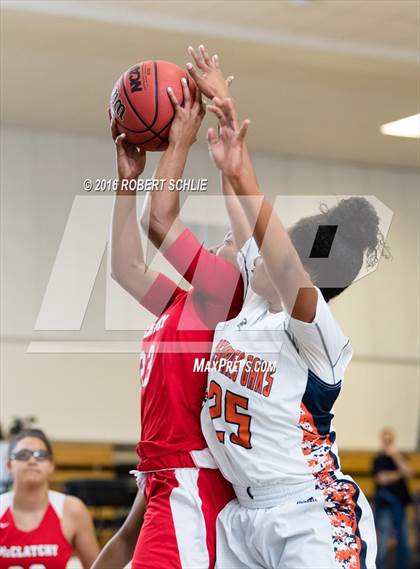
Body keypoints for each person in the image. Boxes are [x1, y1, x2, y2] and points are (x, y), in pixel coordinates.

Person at [197, 95, 385, 568]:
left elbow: (280, 257)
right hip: (244, 516)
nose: (255, 255)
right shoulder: (255, 302)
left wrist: (245, 174)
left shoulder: (317, 334)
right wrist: (225, 155)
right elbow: (246, 227)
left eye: (271, 254)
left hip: (311, 515)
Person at [106, 45, 255, 569]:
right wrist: (127, 180)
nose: (224, 243)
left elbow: (159, 222)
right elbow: (125, 267)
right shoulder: (186, 302)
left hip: (190, 478)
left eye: (237, 243)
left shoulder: (227, 295)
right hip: (166, 474)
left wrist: (180, 143)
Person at [0, 428, 99, 569]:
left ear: (51, 465)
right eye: (23, 455)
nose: (32, 460)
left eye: (40, 455)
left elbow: (97, 566)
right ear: (9, 465)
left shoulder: (72, 509)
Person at [373, 427, 413, 569]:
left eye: (390, 439)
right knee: (383, 544)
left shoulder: (400, 457)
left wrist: (395, 456)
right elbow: (382, 478)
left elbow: (409, 472)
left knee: (404, 542)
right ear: (382, 440)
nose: (387, 441)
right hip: (385, 507)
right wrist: (399, 473)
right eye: (385, 438)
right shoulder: (378, 459)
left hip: (401, 507)